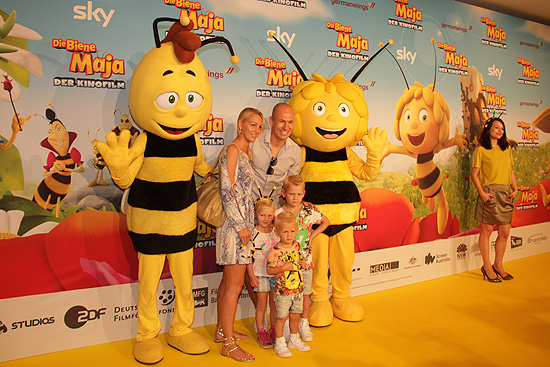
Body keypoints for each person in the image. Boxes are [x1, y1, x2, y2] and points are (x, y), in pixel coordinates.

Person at [215, 107, 264, 362]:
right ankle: (229, 345)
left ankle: (223, 330)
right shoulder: (233, 150)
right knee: (234, 286)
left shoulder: (246, 152)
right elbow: (227, 190)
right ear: (241, 124)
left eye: (259, 126)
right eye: (252, 125)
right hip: (234, 229)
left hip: (242, 226)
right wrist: (240, 225)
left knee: (227, 284)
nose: (256, 130)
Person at [275, 175, 330, 341]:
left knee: (305, 294)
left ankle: (303, 324)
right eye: (292, 194)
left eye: (299, 194)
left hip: (305, 261)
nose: (295, 198)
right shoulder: (278, 214)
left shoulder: (309, 212)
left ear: (304, 194)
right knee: (285, 295)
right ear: (284, 193)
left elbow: (326, 221)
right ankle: (285, 325)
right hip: (285, 265)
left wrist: (312, 236)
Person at [471, 117, 518, 283]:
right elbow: (474, 175)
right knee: (487, 231)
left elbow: (510, 170)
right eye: (496, 127)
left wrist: (515, 188)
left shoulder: (507, 149)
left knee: (505, 232)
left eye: (502, 128)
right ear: (488, 129)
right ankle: (487, 266)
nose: (500, 131)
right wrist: (483, 194)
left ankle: (499, 265)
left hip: (505, 194)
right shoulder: (481, 151)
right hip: (489, 194)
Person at [267, 212, 311, 358]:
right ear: (277, 232)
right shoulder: (275, 251)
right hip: (282, 291)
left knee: (295, 316)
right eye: (285, 232)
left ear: (297, 230)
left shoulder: (297, 246)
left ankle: (294, 338)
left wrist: (303, 263)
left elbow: (300, 261)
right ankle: (279, 342)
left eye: (292, 231)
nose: (289, 235)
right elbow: (269, 269)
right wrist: (284, 268)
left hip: (298, 290)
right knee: (281, 317)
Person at [250, 103, 301, 206]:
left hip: (272, 211)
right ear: (271, 121)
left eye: (290, 122)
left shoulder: (295, 152)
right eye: (282, 121)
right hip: (246, 206)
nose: (286, 127)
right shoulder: (254, 141)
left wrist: (301, 205)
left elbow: (291, 187)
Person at [247, 197, 278, 348]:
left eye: (269, 215)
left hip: (275, 274)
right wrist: (251, 275)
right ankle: (261, 331)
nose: (266, 219)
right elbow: (246, 256)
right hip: (259, 274)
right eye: (262, 215)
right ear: (255, 215)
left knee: (274, 304)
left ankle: (273, 330)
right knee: (261, 306)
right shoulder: (253, 233)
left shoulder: (275, 232)